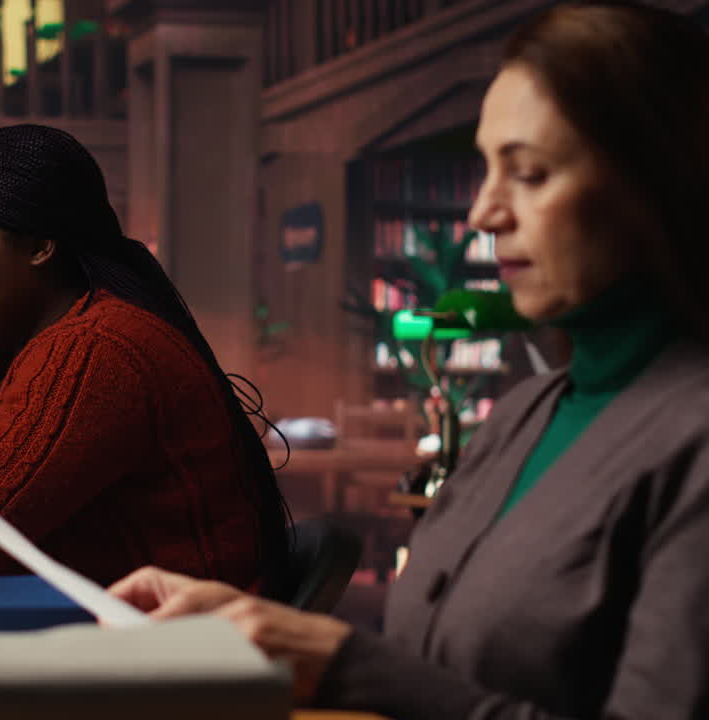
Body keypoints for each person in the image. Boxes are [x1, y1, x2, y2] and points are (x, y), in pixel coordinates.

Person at [109, 3, 709, 718]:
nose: (484, 213)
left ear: (663, 180)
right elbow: (432, 669)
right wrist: (259, 629)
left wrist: (342, 662)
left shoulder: (694, 437)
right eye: (487, 169)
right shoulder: (524, 415)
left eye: (530, 173)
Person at [0, 124, 292, 594]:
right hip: (105, 641)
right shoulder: (20, 354)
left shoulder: (99, 349)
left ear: (39, 245)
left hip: (174, 655)